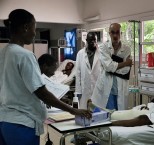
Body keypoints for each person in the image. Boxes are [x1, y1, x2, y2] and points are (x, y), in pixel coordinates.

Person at [0, 9, 91, 145]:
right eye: (34, 28)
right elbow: (41, 92)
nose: (34, 33)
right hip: (22, 124)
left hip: (5, 122)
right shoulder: (24, 55)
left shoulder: (3, 53)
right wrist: (73, 110)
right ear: (25, 27)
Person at [91, 23, 132, 110]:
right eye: (112, 32)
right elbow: (108, 67)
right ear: (109, 33)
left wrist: (113, 67)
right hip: (106, 89)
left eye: (117, 32)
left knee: (119, 118)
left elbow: (126, 71)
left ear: (121, 33)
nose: (115, 35)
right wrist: (125, 63)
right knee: (106, 117)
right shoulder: (103, 47)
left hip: (120, 88)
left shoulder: (127, 49)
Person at [75, 32, 101, 109]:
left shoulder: (101, 53)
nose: (93, 41)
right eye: (90, 40)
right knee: (84, 112)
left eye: (94, 39)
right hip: (84, 89)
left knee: (98, 114)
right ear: (86, 40)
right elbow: (78, 73)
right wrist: (78, 90)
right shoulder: (80, 54)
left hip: (98, 89)